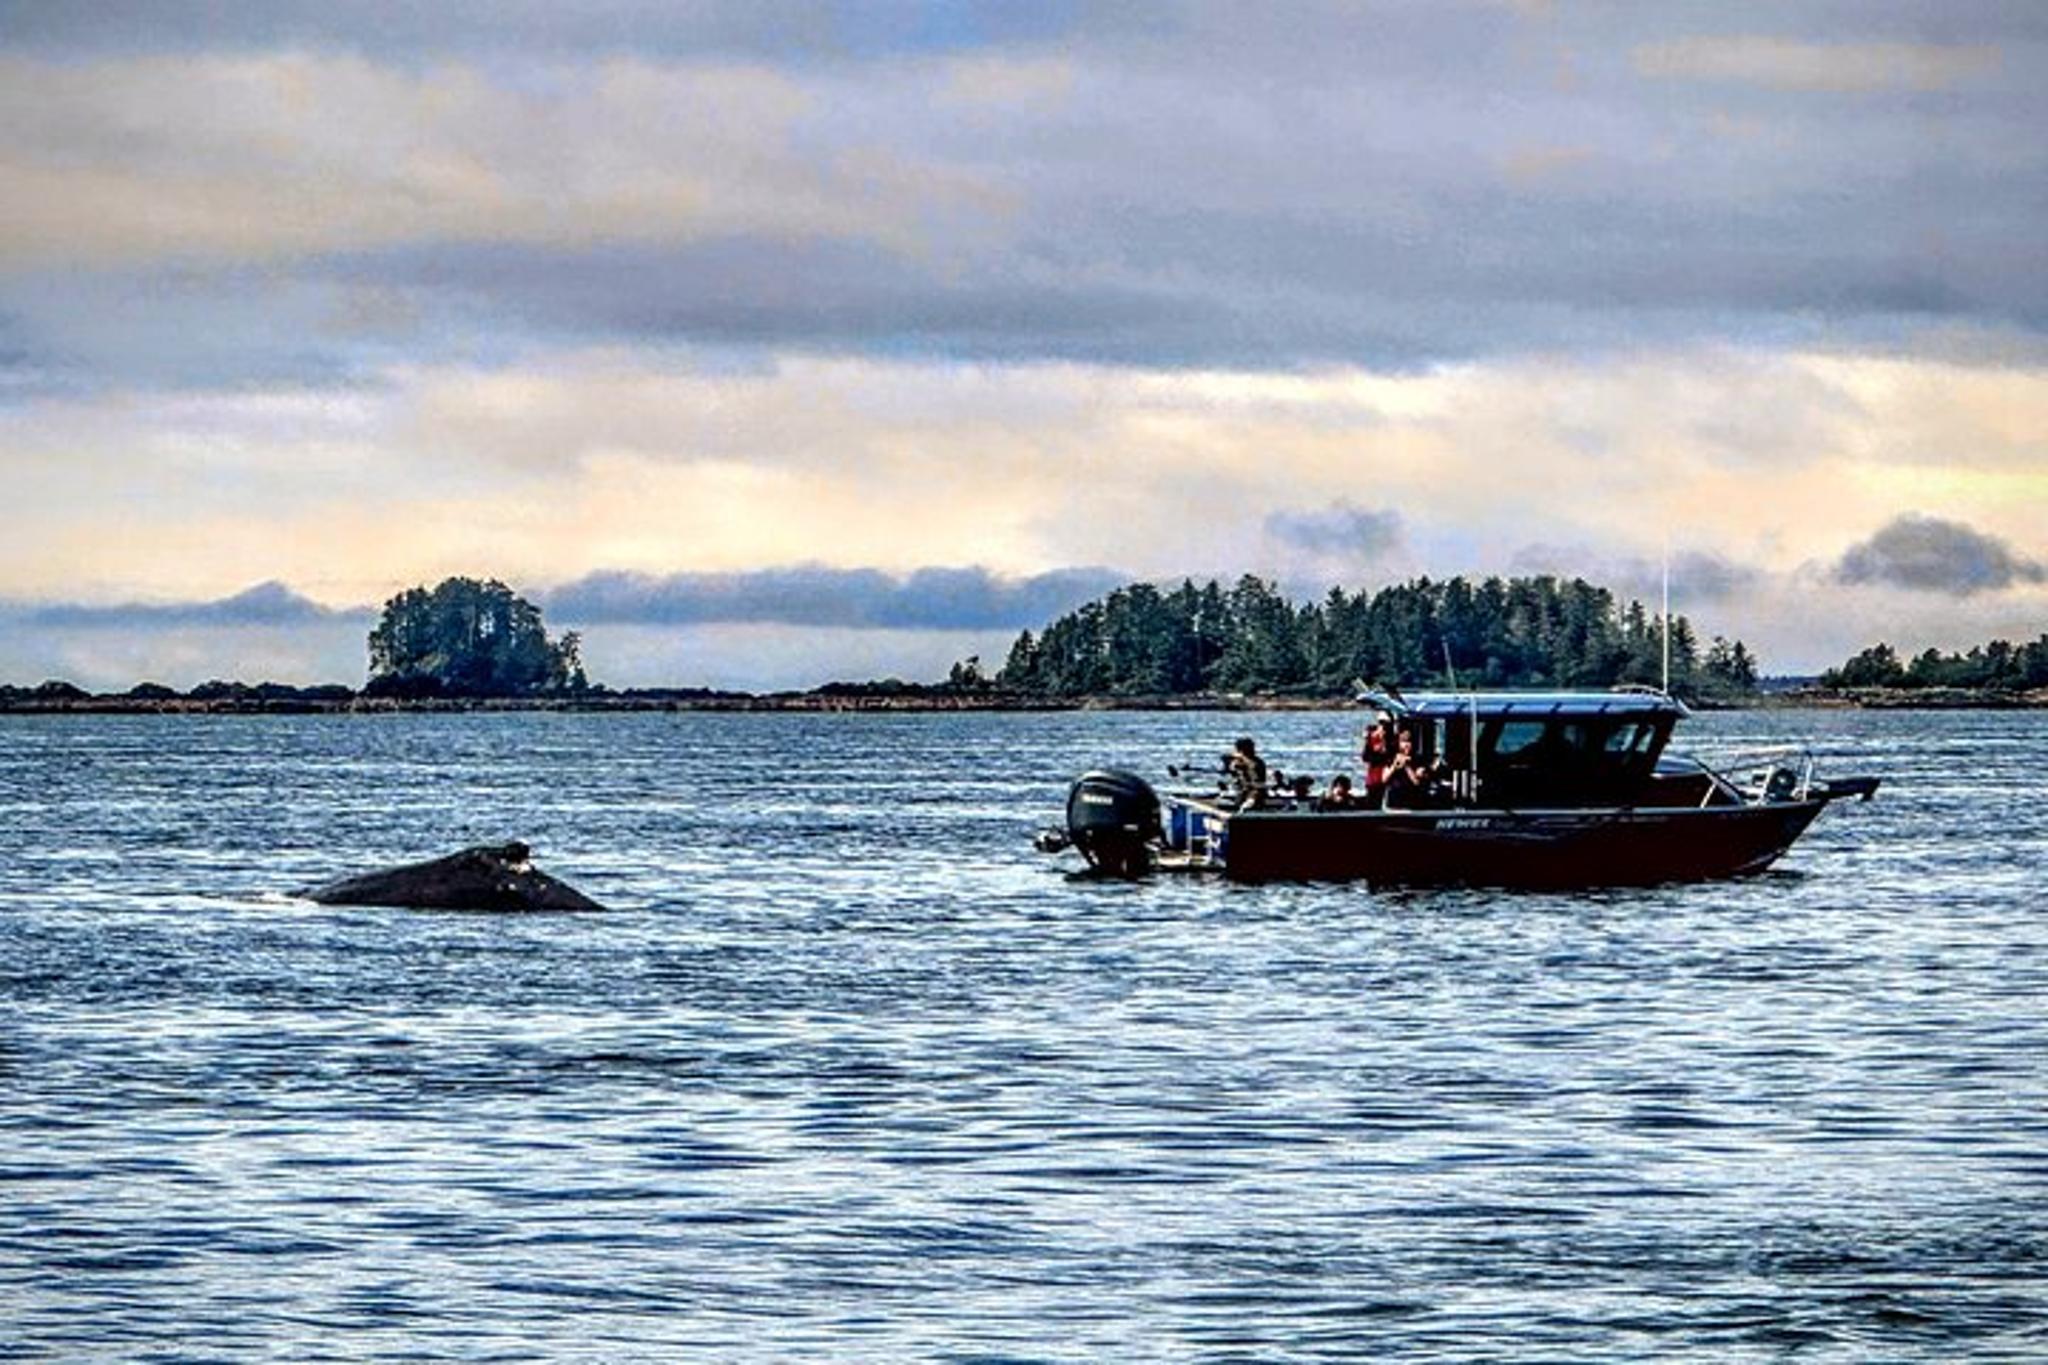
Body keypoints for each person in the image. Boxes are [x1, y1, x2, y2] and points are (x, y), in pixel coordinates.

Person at [1361, 711, 1397, 807]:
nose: (1383, 727)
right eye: (1381, 723)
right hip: (1374, 778)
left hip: (1387, 777)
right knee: (1372, 802)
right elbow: (1366, 757)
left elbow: (1391, 756)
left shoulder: (1393, 740)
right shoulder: (1373, 738)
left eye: (1386, 724)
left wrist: (1385, 742)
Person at [1226, 736, 1269, 809]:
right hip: (1244, 793)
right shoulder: (1243, 761)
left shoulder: (1254, 763)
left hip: (1253, 795)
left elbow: (1257, 783)